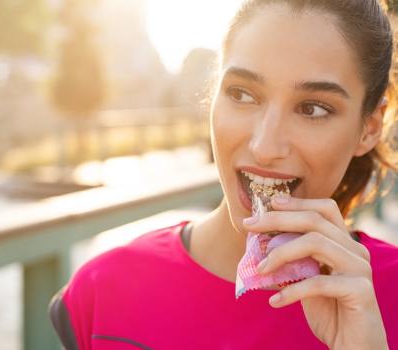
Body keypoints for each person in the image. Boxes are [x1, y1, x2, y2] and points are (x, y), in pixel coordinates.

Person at [49, 1, 398, 349]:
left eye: (313, 108)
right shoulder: (103, 292)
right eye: (242, 94)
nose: (264, 145)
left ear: (369, 127)